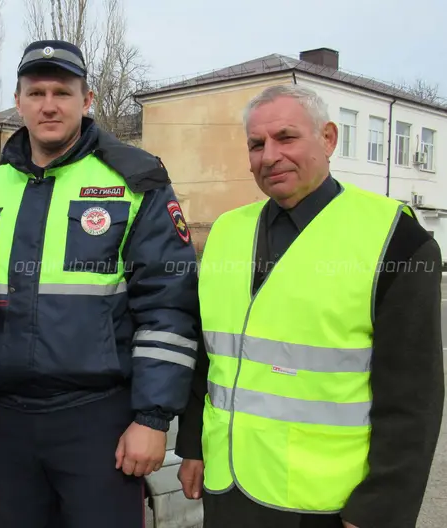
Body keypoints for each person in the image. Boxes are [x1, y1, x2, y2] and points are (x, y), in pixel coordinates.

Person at [0, 39, 200, 528]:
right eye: (36, 92)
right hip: (6, 419)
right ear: (18, 102)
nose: (49, 104)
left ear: (88, 99)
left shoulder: (134, 181)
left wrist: (151, 419)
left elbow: (169, 307)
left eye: (63, 91)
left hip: (97, 418)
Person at [175, 83, 445, 528]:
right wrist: (192, 446)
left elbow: (414, 396)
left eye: (286, 137)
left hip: (326, 504)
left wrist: (381, 506)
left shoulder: (396, 239)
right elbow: (209, 356)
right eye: (256, 144)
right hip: (229, 487)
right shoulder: (226, 231)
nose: (269, 156)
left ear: (329, 139)